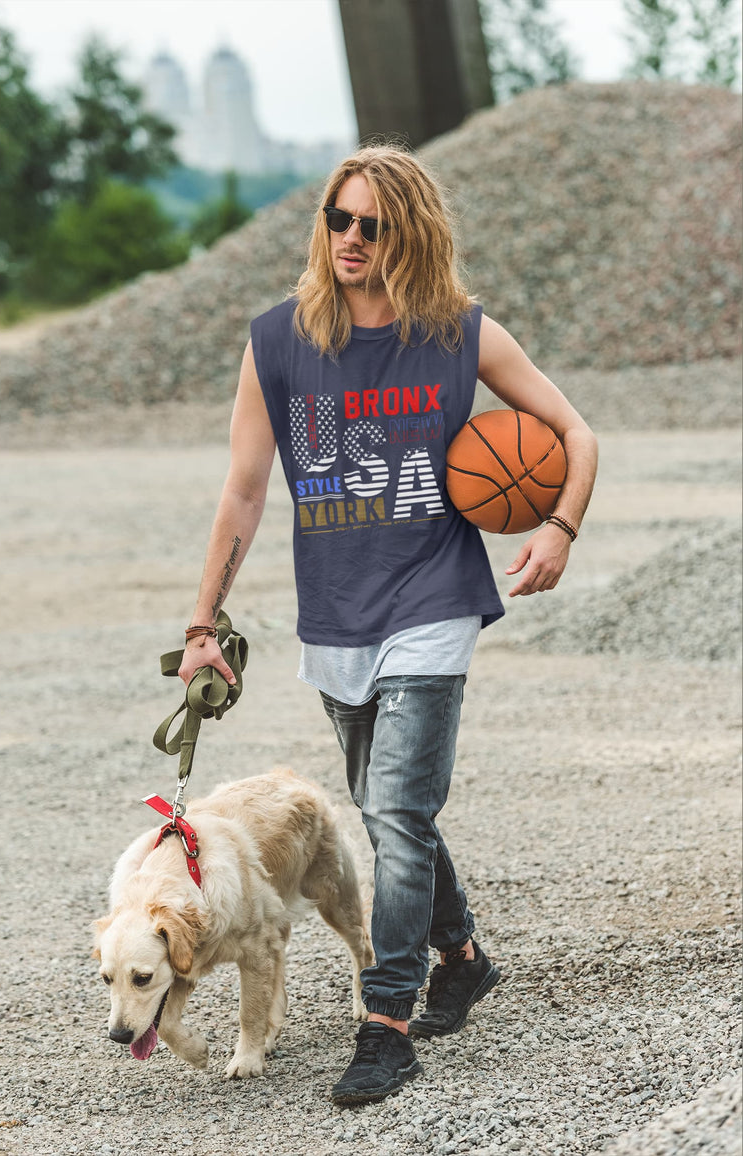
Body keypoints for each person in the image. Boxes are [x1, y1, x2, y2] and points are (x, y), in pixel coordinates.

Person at [178, 145, 598, 1105]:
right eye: (339, 218)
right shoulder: (277, 342)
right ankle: (463, 956)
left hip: (435, 602)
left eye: (372, 223)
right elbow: (245, 490)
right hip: (337, 617)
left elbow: (577, 433)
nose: (351, 238)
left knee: (396, 818)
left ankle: (388, 1021)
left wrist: (559, 529)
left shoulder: (459, 335)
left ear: (407, 231)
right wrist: (202, 620)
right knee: (388, 810)